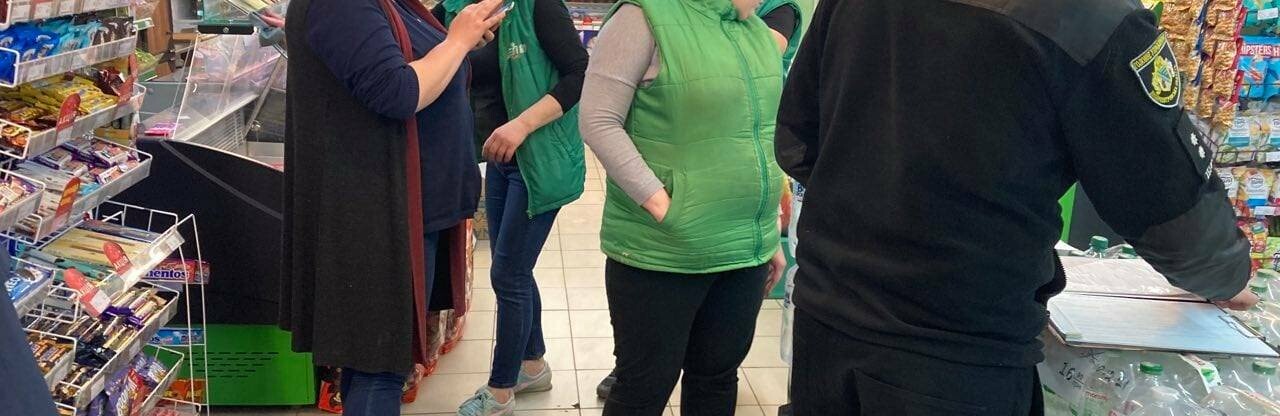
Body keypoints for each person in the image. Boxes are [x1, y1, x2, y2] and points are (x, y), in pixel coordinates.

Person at [775, 0, 1258, 414]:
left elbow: (798, 142)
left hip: (827, 324)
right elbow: (1173, 213)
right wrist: (1226, 274)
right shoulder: (1090, 15)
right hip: (957, 353)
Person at [280, 0, 504, 415]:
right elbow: (397, 92)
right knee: (379, 363)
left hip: (408, 208)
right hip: (376, 214)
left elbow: (405, 66)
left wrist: (461, 40)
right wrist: (457, 41)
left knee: (376, 362)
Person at [579, 0, 788, 414]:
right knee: (643, 388)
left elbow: (759, 135)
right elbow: (598, 120)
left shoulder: (755, 32)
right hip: (663, 252)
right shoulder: (643, 17)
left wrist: (768, 228)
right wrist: (663, 204)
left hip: (745, 250)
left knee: (717, 379)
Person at [431, 0, 589, 414]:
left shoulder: (538, 7)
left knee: (508, 273)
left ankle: (501, 390)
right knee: (514, 268)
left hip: (542, 157)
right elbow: (408, 40)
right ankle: (533, 365)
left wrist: (522, 124)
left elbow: (579, 73)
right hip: (501, 159)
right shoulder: (458, 10)